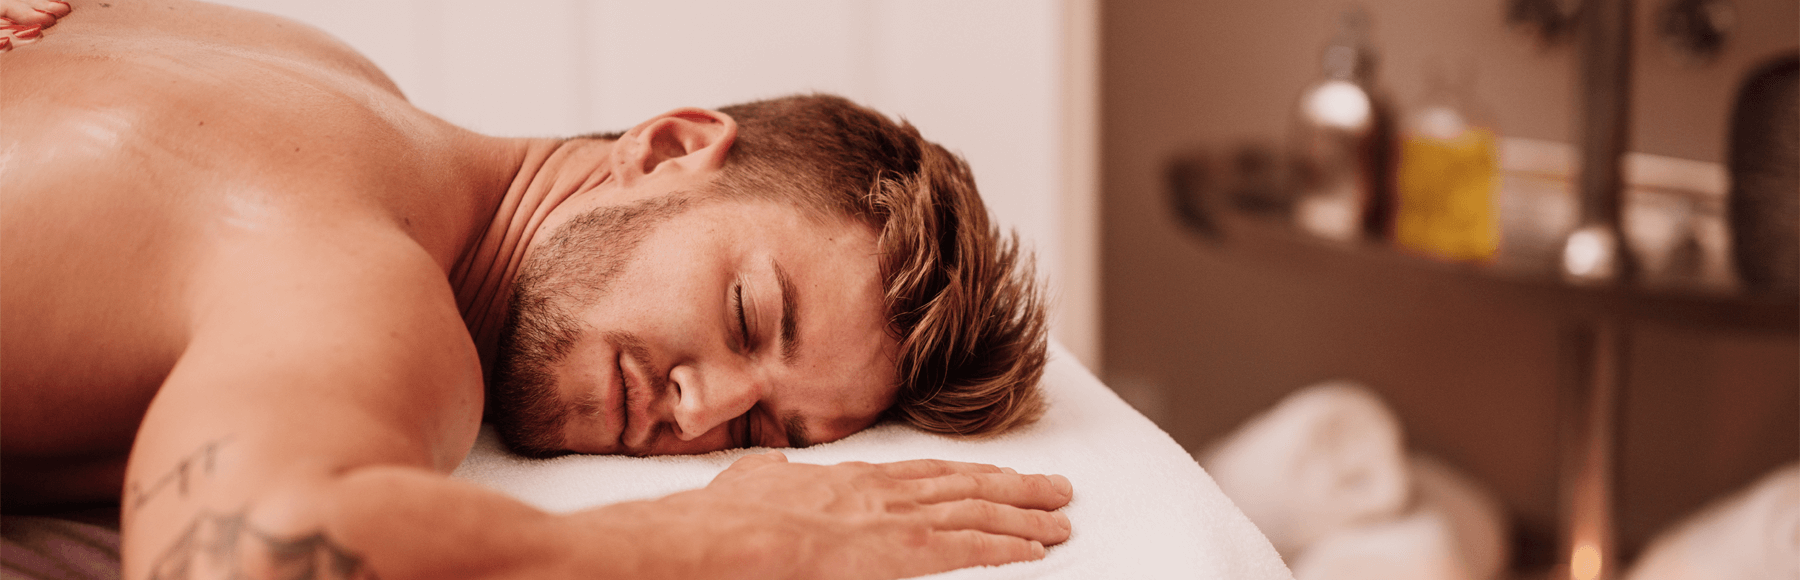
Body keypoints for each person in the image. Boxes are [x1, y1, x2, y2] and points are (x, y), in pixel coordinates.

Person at [0, 1, 1073, 578]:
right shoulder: (372, 280)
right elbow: (240, 560)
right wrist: (719, 541)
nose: (700, 409)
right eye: (747, 316)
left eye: (756, 433)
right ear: (668, 148)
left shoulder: (310, 65)